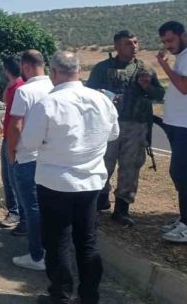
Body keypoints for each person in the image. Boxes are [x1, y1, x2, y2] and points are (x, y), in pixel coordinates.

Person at [22, 51, 119, 304]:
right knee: (87, 242)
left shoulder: (48, 103)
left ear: (53, 72)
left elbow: (30, 142)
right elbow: (113, 134)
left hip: (56, 183)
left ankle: (61, 295)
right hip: (91, 183)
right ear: (79, 70)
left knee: (58, 243)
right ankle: (89, 296)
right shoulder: (102, 100)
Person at [86, 30, 165, 226]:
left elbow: (159, 95)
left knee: (130, 167)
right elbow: (88, 95)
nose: (134, 46)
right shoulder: (102, 68)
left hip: (136, 126)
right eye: (129, 43)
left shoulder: (145, 68)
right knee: (102, 164)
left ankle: (122, 210)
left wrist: (147, 87)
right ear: (117, 47)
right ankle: (99, 201)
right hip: (107, 125)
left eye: (136, 42)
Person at [7, 49, 54, 270]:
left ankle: (37, 256)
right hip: (51, 157)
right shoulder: (55, 88)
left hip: (27, 157)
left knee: (32, 207)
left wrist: (11, 151)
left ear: (25, 67)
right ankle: (51, 250)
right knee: (48, 206)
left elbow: (15, 126)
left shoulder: (25, 91)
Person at [155, 21, 187, 243]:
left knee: (183, 174)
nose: (167, 45)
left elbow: (185, 87)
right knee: (181, 174)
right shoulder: (185, 55)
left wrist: (164, 67)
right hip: (178, 125)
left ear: (183, 35)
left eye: (170, 40)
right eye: (164, 42)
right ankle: (186, 219)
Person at [0, 55, 25, 229]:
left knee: (10, 177)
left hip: (11, 137)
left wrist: (11, 145)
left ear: (7, 70)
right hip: (15, 136)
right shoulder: (22, 85)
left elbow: (7, 104)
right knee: (14, 177)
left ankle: (15, 213)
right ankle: (19, 213)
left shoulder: (16, 87)